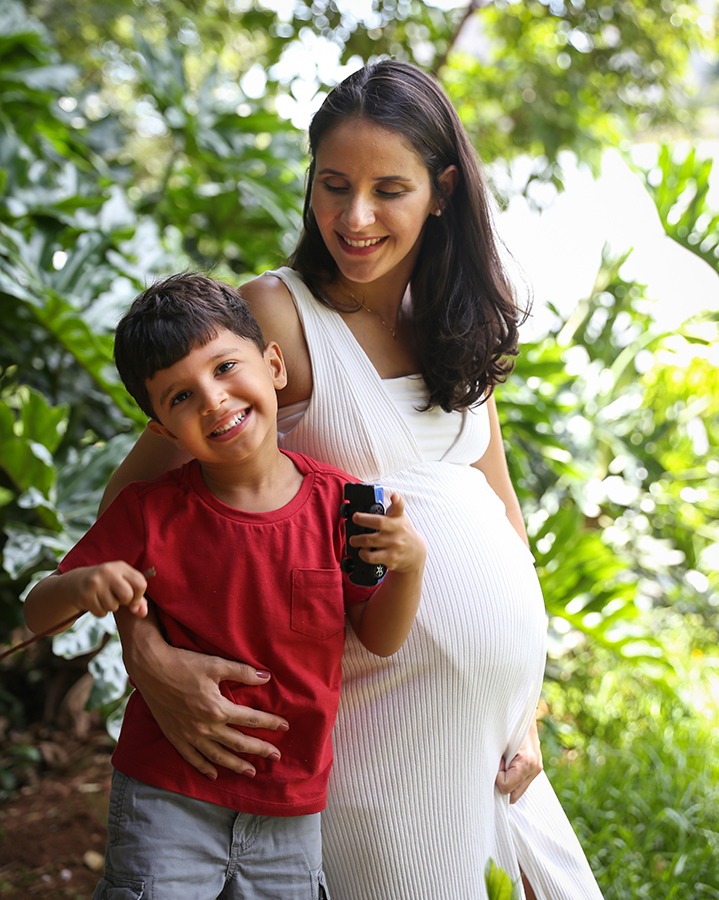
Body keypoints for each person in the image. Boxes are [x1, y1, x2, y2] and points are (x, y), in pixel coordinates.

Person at [99, 62, 605, 899]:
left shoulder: (455, 318)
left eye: (387, 189)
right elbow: (133, 513)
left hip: (494, 748)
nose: (354, 217)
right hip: (372, 736)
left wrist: (525, 702)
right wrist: (149, 660)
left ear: (442, 192)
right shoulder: (277, 316)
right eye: (332, 186)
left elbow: (499, 510)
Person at [24, 274, 427, 900]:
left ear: (274, 365)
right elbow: (35, 614)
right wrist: (82, 585)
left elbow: (379, 637)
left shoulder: (337, 506)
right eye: (181, 396)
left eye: (226, 367)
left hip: (291, 810)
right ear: (161, 430)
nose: (212, 400)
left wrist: (410, 565)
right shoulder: (148, 512)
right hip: (168, 795)